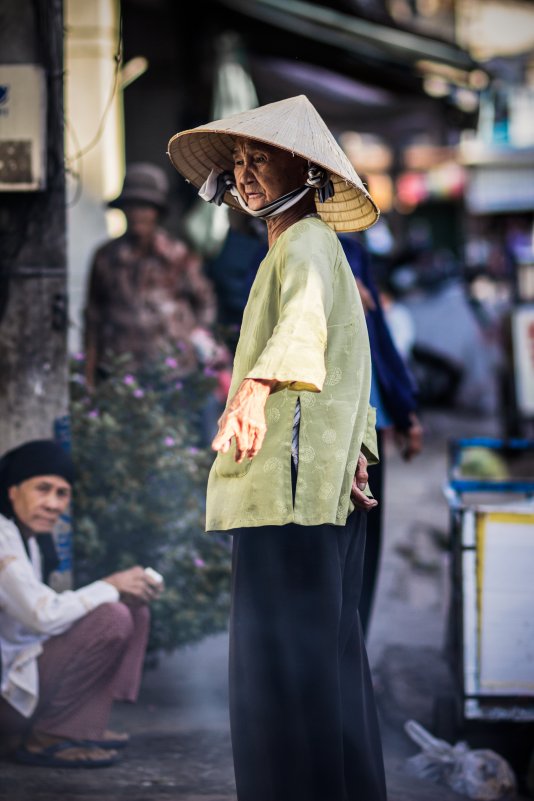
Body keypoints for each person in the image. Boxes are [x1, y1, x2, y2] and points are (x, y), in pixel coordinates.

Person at [167, 94, 387, 801]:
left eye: (261, 157)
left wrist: (256, 386)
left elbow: (301, 329)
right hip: (311, 491)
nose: (246, 173)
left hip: (287, 499)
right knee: (322, 667)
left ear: (307, 168)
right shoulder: (309, 249)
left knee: (279, 674)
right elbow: (354, 363)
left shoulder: (305, 243)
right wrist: (357, 450)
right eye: (239, 163)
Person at [0, 439, 163, 768]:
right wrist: (110, 585)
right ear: (13, 491)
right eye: (42, 489)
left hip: (20, 681)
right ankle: (51, 736)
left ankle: (84, 722)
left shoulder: (25, 537)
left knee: (132, 608)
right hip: (8, 699)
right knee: (112, 617)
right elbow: (43, 616)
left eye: (62, 493)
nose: (53, 504)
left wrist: (118, 590)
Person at [339, 233, 423, 635]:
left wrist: (406, 410)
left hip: (367, 421)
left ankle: (356, 646)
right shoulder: (276, 246)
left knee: (363, 543)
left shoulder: (353, 251)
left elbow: (380, 337)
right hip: (317, 425)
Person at [83, 162, 225, 389]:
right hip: (122, 370)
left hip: (172, 370)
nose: (138, 214)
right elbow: (93, 316)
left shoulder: (177, 255)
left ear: (157, 212)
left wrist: (192, 335)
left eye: (145, 207)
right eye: (133, 206)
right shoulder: (106, 258)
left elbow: (204, 301)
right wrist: (89, 372)